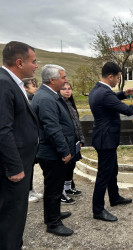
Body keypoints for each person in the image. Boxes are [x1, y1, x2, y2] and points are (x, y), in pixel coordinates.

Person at [89, 61, 133, 222]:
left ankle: (114, 197)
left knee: (112, 171)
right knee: (103, 175)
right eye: (118, 78)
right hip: (105, 140)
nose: (118, 81)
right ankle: (98, 210)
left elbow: (110, 99)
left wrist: (123, 94)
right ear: (110, 76)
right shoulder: (105, 93)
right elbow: (128, 110)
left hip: (105, 138)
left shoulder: (98, 89)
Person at [0, 41, 39, 249]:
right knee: (11, 214)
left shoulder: (13, 82)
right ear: (19, 62)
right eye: (33, 61)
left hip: (22, 162)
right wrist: (15, 167)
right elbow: (2, 130)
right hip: (13, 167)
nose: (36, 66)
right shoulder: (4, 83)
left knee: (17, 212)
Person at [32, 64, 75, 236]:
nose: (65, 80)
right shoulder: (46, 98)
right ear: (52, 80)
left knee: (54, 187)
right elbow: (52, 128)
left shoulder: (49, 94)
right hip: (52, 153)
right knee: (53, 188)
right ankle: (53, 223)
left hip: (53, 151)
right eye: (63, 77)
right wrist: (64, 151)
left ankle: (53, 214)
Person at [59, 82, 85, 205]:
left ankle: (68, 187)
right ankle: (61, 192)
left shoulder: (70, 103)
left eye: (69, 89)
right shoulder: (59, 104)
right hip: (65, 141)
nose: (67, 91)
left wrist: (81, 139)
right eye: (64, 89)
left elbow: (77, 124)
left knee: (71, 166)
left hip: (74, 140)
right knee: (64, 167)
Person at [22, 77, 44, 203]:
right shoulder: (26, 100)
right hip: (26, 140)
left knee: (30, 167)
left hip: (34, 139)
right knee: (26, 167)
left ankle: (30, 189)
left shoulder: (32, 99)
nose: (36, 88)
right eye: (33, 86)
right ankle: (26, 192)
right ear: (25, 87)